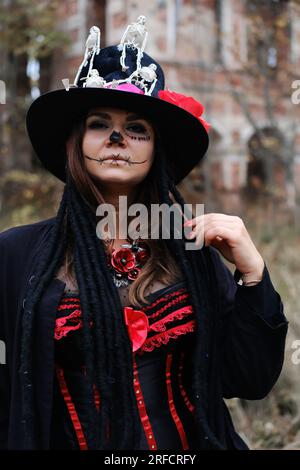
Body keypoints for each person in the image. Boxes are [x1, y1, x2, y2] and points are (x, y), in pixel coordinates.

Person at [0, 17, 288, 450]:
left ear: (156, 151)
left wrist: (252, 275)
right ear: (75, 143)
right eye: (99, 123)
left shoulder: (192, 250)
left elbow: (247, 379)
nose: (117, 137)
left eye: (137, 128)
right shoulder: (16, 255)